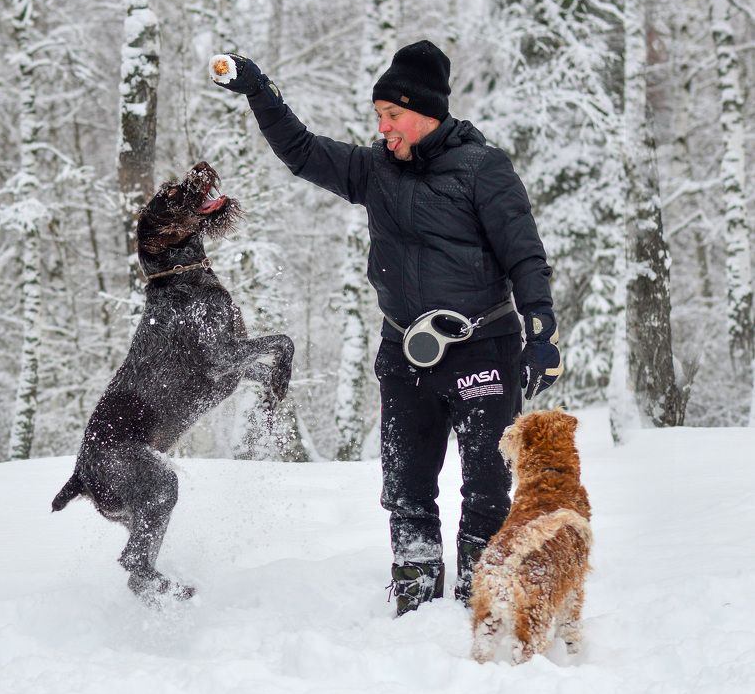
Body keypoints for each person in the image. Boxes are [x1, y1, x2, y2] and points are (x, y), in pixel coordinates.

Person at [211, 40, 562, 615]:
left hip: (484, 348)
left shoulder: (484, 169)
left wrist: (541, 330)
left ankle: (485, 593)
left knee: (487, 484)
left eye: (392, 116)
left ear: (427, 113)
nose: (384, 128)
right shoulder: (375, 171)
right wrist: (260, 92)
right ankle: (415, 590)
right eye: (379, 117)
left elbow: (524, 255)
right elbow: (301, 153)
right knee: (406, 484)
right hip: (406, 350)